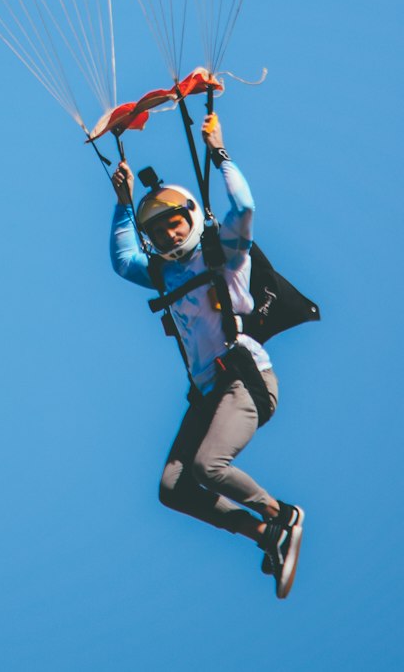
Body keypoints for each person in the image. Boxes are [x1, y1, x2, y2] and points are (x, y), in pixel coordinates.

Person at [110, 113, 304, 598]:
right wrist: (122, 205)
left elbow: (244, 204)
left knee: (207, 468)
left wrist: (218, 152)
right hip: (208, 394)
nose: (169, 236)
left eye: (174, 224)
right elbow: (122, 260)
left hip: (245, 380)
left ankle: (282, 516)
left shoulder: (226, 254)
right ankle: (261, 534)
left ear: (191, 218)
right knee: (173, 487)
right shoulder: (163, 275)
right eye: (157, 233)